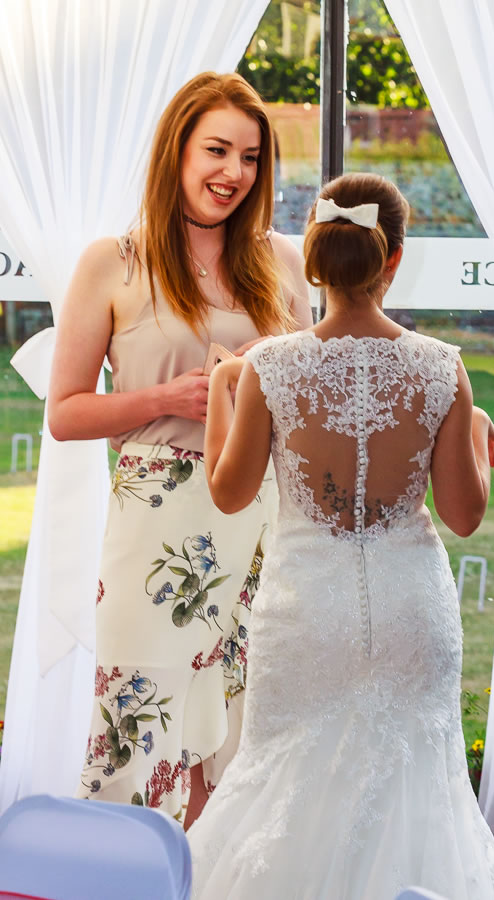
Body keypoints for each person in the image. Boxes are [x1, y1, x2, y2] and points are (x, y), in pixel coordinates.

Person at [187, 172, 494, 898]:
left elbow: (229, 493)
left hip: (305, 613)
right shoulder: (442, 368)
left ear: (315, 258)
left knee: (284, 784)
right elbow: (464, 516)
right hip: (410, 612)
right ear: (393, 257)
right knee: (415, 792)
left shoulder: (270, 368)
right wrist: (473, 429)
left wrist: (219, 389)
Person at [47, 72, 312, 827]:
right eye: (217, 150)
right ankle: (129, 871)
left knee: (248, 724)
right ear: (178, 152)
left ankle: (223, 873)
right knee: (137, 724)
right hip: (154, 528)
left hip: (258, 520)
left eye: (251, 157)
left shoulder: (281, 262)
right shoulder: (113, 262)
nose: (235, 173)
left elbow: (312, 396)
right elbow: (64, 413)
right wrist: (166, 398)